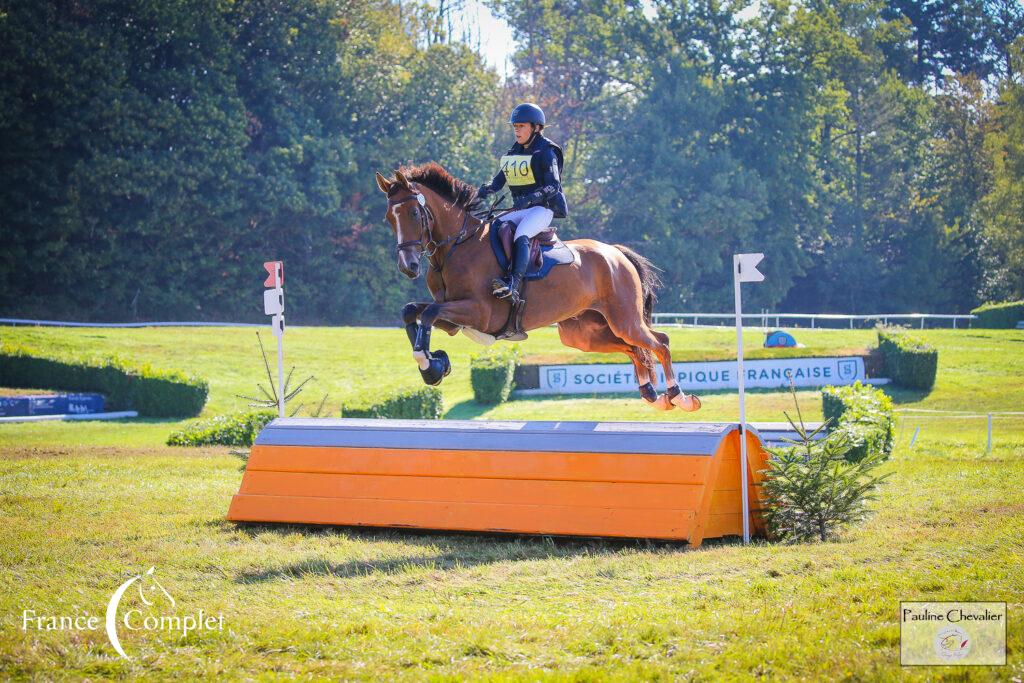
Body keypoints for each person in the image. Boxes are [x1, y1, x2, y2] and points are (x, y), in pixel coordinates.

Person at [476, 103, 568, 304]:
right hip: (521, 209)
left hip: (543, 209)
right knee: (492, 228)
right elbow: (498, 183)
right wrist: (482, 191)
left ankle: (513, 285)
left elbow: (553, 186)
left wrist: (531, 198)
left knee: (521, 234)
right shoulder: (513, 152)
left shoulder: (547, 151)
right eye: (515, 126)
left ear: (536, 127)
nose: (516, 130)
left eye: (521, 126)